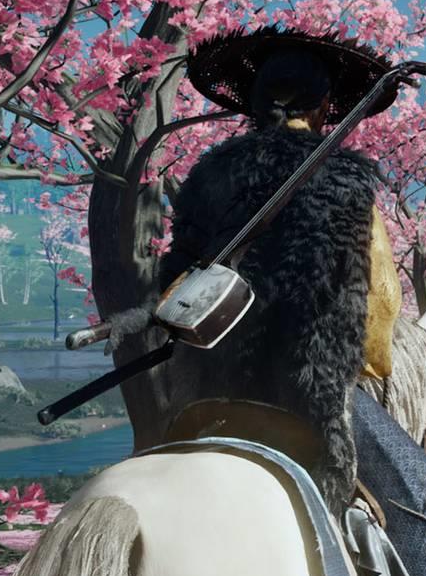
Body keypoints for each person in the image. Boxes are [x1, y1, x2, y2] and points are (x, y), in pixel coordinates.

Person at [144, 27, 404, 513]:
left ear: (255, 105)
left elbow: (175, 281)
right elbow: (379, 311)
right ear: (326, 106)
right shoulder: (346, 178)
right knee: (418, 488)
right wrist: (369, 364)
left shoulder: (208, 173)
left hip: (210, 391)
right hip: (310, 398)